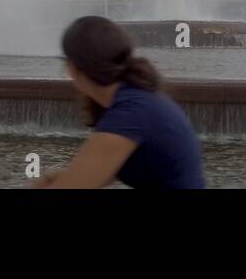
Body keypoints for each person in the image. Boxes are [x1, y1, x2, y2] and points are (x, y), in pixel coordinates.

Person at [32, 16, 204, 189]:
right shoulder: (137, 98)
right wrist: (51, 177)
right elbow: (94, 176)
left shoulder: (129, 115)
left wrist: (50, 179)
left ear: (73, 68)